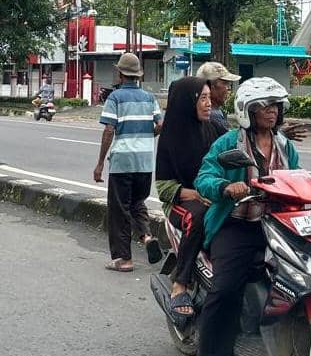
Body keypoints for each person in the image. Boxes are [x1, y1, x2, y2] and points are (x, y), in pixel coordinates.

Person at [193, 77, 311, 356]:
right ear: (247, 111)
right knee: (225, 287)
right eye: (264, 106)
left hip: (281, 224)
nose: (272, 112)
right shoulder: (229, 144)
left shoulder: (285, 146)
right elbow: (204, 177)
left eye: (275, 106)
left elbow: (297, 177)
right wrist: (225, 188)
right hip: (239, 226)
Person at [155, 77, 221, 321]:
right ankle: (180, 283)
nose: (208, 104)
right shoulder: (171, 136)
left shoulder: (213, 127)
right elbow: (163, 187)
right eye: (202, 98)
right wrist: (194, 194)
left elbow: (237, 141)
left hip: (214, 195)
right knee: (198, 217)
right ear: (187, 102)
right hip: (181, 203)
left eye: (208, 98)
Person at [94, 53, 163, 272]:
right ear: (138, 76)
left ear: (120, 74)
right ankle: (147, 236)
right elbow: (160, 124)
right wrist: (146, 135)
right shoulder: (149, 98)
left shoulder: (115, 98)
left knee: (119, 210)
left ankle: (124, 259)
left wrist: (100, 163)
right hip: (144, 163)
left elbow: (108, 129)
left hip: (122, 162)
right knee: (137, 203)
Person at [196, 61, 308, 141]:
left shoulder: (214, 112)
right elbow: (236, 143)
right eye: (225, 84)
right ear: (209, 86)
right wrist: (278, 134)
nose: (228, 88)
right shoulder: (211, 114)